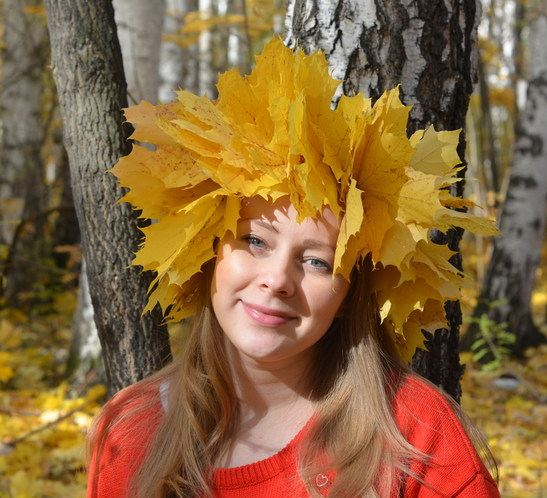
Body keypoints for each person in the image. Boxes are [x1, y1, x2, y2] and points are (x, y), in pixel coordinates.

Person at [87, 38, 502, 498]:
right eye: (255, 241)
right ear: (207, 251)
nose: (277, 280)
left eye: (317, 261)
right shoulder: (130, 432)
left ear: (348, 295)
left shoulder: (420, 440)